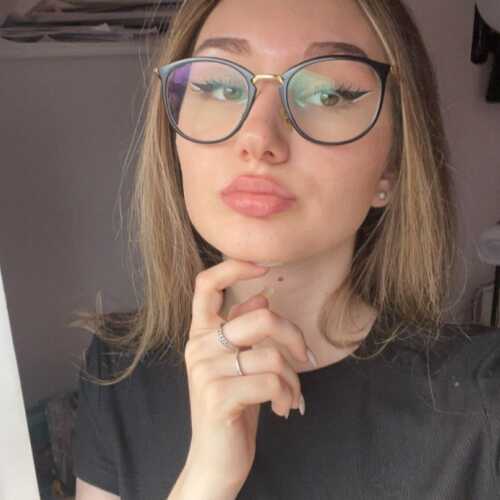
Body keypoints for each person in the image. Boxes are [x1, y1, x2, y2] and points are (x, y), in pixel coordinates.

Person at [70, 0, 500, 499]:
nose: (258, 137)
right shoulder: (118, 370)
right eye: (220, 87)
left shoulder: (483, 401)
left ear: (392, 165)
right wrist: (204, 482)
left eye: (328, 95)